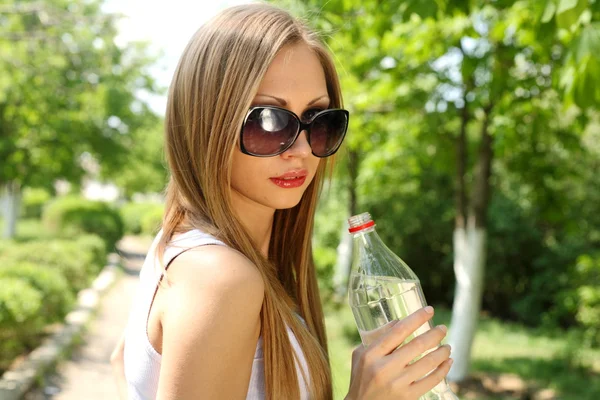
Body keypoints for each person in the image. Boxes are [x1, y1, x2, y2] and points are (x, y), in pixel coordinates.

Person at [110, 3, 452, 399]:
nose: (302, 149)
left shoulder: (178, 246)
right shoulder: (219, 278)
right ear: (209, 123)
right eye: (269, 121)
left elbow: (120, 364)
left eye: (320, 120)